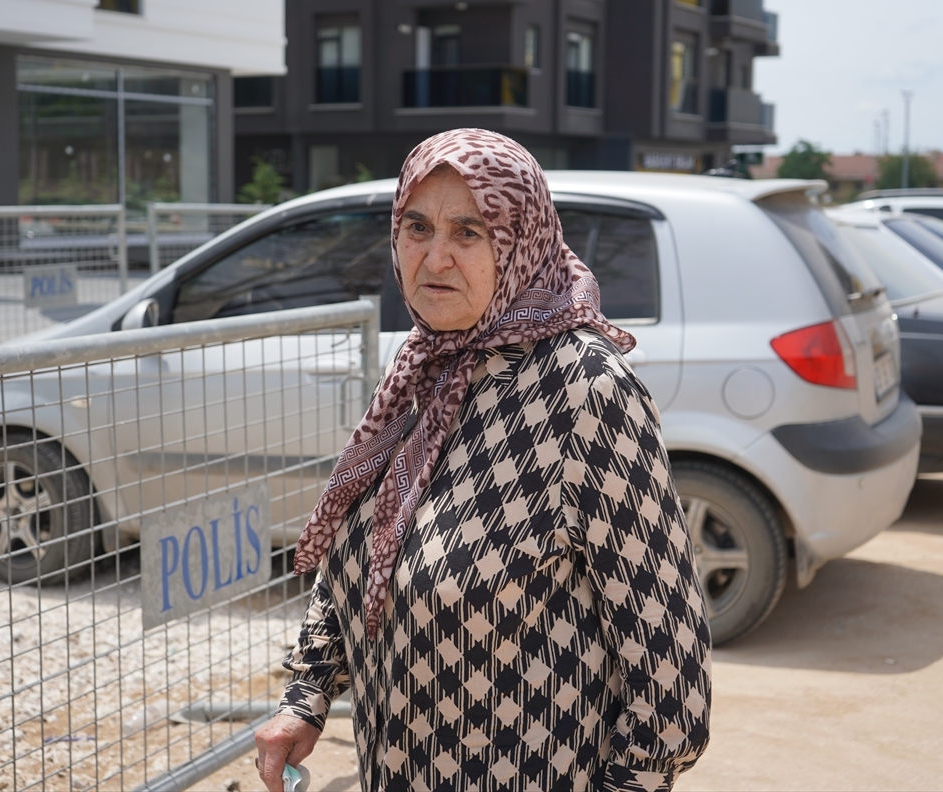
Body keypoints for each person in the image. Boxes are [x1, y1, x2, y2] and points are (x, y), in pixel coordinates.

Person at [255, 129, 711, 792]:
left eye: (469, 232)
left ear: (520, 242)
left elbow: (670, 669)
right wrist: (308, 693)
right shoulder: (427, 364)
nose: (434, 256)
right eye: (417, 226)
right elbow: (369, 541)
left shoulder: (585, 393)